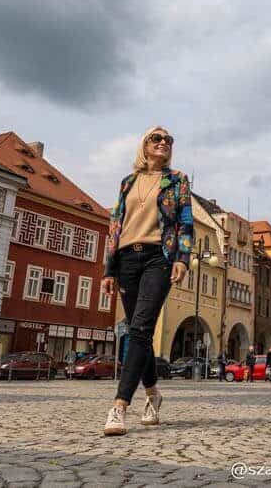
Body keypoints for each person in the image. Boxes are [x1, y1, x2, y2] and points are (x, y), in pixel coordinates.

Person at [101, 126, 193, 436]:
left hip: (158, 257)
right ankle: (153, 394)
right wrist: (109, 269)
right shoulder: (128, 182)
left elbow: (185, 223)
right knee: (138, 331)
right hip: (127, 259)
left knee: (139, 329)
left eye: (168, 139)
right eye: (157, 138)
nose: (164, 142)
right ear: (144, 145)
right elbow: (115, 225)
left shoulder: (177, 180)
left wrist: (182, 259)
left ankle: (119, 406)